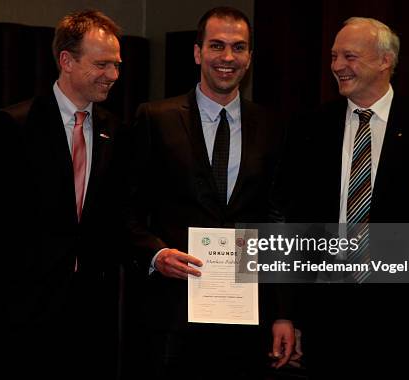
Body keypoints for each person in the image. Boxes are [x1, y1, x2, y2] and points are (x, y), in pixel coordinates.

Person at [273, 17, 409, 378]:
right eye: (334, 56)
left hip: (405, 324)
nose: (336, 66)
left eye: (349, 56)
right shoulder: (310, 127)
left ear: (385, 60)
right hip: (324, 321)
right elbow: (292, 222)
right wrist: (288, 313)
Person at [124, 7, 295, 379]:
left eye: (239, 47)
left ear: (250, 57)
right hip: (172, 316)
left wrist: (283, 312)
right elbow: (125, 210)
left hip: (247, 319)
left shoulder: (274, 126)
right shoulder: (155, 118)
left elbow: (277, 221)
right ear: (198, 52)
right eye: (217, 46)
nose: (228, 57)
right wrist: (156, 254)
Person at [0, 10, 123, 378]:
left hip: (89, 319)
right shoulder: (14, 125)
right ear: (66, 60)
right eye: (102, 64)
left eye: (116, 64)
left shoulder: (115, 130)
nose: (113, 75)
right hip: (20, 318)